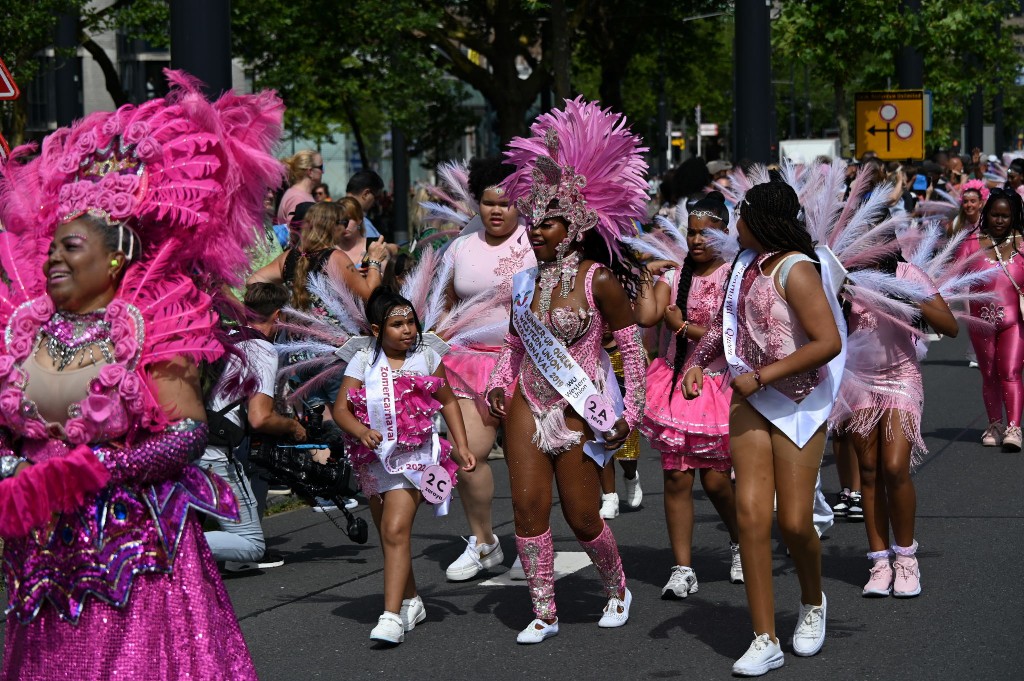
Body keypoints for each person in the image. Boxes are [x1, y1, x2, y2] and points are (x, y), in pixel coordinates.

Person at [0, 71, 283, 679]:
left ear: (115, 256)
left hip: (135, 552)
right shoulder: (25, 331)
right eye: (52, 248)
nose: (53, 258)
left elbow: (187, 433)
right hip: (47, 554)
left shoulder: (147, 325)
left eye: (71, 247)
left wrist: (99, 470)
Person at [485, 98, 649, 643]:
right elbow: (513, 345)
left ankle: (617, 588)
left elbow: (630, 345)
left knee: (581, 515)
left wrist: (634, 412)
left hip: (580, 405)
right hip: (528, 405)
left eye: (548, 223)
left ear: (574, 226)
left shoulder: (597, 279)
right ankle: (544, 611)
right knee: (528, 511)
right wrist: (497, 383)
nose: (536, 232)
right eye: (534, 223)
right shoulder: (524, 283)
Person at [682, 179, 844, 676]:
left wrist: (764, 376)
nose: (735, 223)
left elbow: (828, 342)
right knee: (752, 516)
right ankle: (764, 636)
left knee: (795, 522)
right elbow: (723, 325)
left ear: (761, 220)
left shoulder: (797, 269)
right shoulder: (743, 266)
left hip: (799, 400)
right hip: (751, 399)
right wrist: (698, 360)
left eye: (742, 214)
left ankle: (812, 602)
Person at [331, 287, 475, 644]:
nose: (408, 330)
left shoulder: (425, 357)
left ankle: (391, 616)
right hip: (375, 461)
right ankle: (411, 600)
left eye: (412, 321)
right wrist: (361, 430)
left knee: (395, 530)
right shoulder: (364, 359)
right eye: (398, 324)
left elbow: (449, 401)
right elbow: (340, 409)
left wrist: (461, 444)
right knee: (389, 536)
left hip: (414, 459)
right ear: (378, 330)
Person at [640, 192, 743, 597]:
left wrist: (684, 329)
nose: (697, 240)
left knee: (717, 482)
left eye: (706, 233)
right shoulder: (676, 274)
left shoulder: (734, 276)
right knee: (676, 478)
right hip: (675, 383)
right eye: (691, 232)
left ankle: (739, 543)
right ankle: (682, 567)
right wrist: (646, 277)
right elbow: (648, 316)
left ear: (725, 232)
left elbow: (732, 338)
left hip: (718, 384)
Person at [837, 253, 957, 598]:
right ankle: (879, 562)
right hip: (859, 380)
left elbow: (949, 327)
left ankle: (906, 559)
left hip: (901, 379)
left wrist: (907, 298)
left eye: (881, 238)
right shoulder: (845, 277)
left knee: (894, 466)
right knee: (870, 470)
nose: (874, 247)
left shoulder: (909, 274)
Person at [439, 157, 537, 582]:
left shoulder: (535, 242)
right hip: (468, 363)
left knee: (525, 461)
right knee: (467, 457)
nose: (497, 211)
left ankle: (533, 541)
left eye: (507, 202)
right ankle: (484, 542)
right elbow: (442, 304)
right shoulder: (460, 247)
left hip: (525, 362)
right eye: (488, 202)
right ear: (476, 202)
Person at [202, 283, 307, 571]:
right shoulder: (261, 348)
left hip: (192, 441)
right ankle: (174, 547)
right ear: (278, 316)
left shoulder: (227, 337)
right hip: (216, 451)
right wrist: (291, 427)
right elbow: (260, 418)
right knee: (252, 544)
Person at [961, 189, 1024, 450]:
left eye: (1005, 216)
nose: (999, 220)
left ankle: (1014, 429)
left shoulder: (1022, 244)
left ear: (1014, 217)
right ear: (986, 215)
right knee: (989, 374)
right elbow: (950, 280)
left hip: (1013, 322)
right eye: (995, 215)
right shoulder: (970, 244)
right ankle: (995, 424)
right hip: (980, 323)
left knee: (1010, 372)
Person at [278, 149, 323, 224]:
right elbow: (295, 232)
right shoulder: (298, 198)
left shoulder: (299, 195)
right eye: (321, 167)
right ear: (310, 172)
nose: (323, 172)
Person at [347, 170, 385, 238]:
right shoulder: (362, 224)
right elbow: (374, 246)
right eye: (376, 198)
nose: (375, 203)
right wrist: (389, 248)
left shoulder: (332, 215)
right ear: (366, 194)